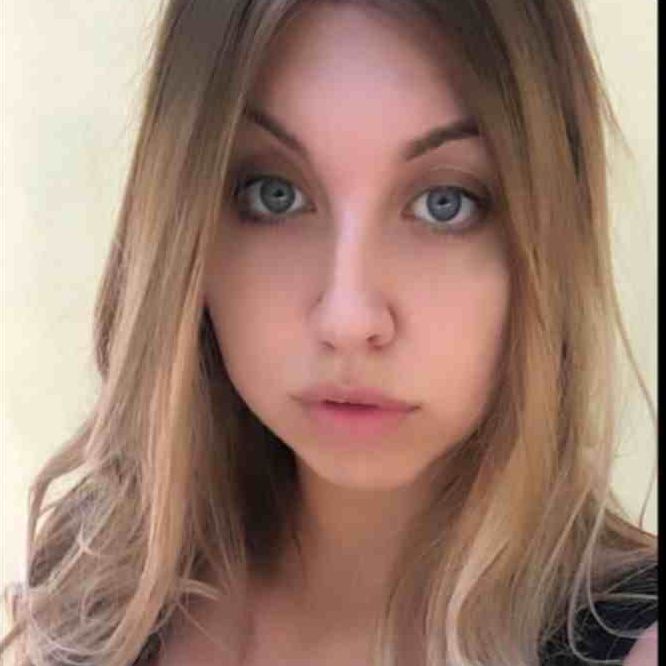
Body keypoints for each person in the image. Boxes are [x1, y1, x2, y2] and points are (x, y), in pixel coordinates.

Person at [0, 0, 657, 664]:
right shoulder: (94, 599)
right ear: (186, 223)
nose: (348, 319)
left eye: (446, 204)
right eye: (274, 193)